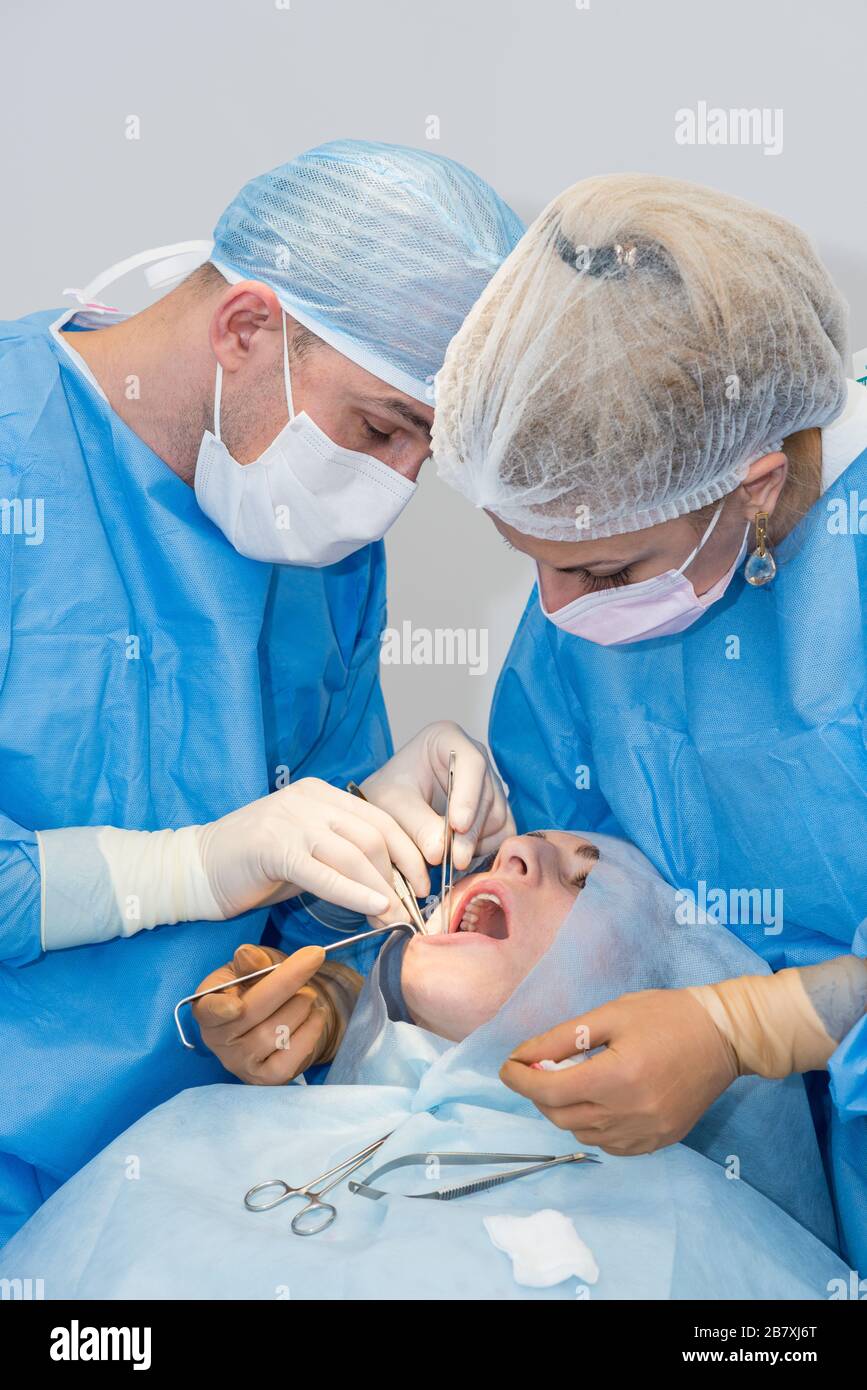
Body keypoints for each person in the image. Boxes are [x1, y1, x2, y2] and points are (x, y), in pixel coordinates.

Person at [0, 139, 522, 1244]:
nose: (390, 489)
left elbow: (303, 902)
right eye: (382, 428)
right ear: (246, 329)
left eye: (426, 451)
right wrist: (194, 866)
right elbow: (230, 848)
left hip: (181, 1194)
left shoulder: (305, 543)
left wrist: (340, 935)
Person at [432, 172, 867, 1268]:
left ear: (756, 485)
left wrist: (742, 1029)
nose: (561, 611)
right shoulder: (584, 618)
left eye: (603, 566)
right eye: (532, 565)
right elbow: (582, 872)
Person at [0, 831, 846, 1300]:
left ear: (662, 990)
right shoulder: (192, 1140)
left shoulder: (704, 1245)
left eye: (584, 881)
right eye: (502, 851)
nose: (513, 851)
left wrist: (741, 1024)